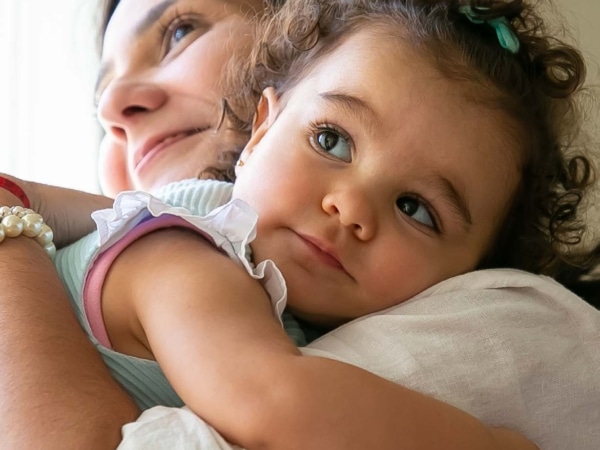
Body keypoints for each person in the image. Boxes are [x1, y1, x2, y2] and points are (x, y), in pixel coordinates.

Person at [0, 0, 597, 449]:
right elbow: (272, 404)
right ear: (260, 129)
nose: (352, 207)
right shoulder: (189, 254)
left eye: (416, 208)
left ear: (468, 277)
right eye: (331, 140)